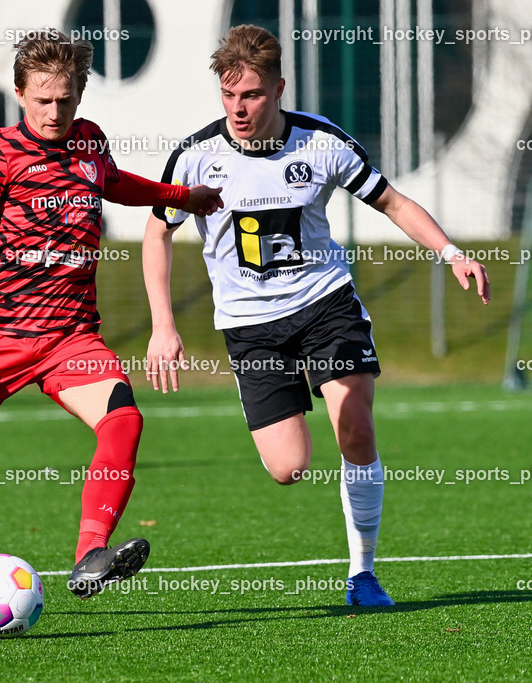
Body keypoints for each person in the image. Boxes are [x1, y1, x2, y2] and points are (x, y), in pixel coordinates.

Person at [143, 25, 489, 606]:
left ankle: (363, 574)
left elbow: (395, 203)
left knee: (354, 424)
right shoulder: (197, 157)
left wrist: (452, 254)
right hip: (250, 328)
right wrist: (162, 325)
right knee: (288, 466)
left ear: (278, 89)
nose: (238, 109)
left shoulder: (321, 143)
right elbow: (157, 234)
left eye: (250, 95)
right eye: (228, 96)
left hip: (324, 305)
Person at [0, 30, 224, 598]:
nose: (55, 111)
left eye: (65, 99)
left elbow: (115, 184)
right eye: (42, 99)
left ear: (79, 95)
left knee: (124, 419)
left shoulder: (88, 143)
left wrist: (181, 196)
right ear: (19, 94)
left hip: (71, 340)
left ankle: (89, 555)